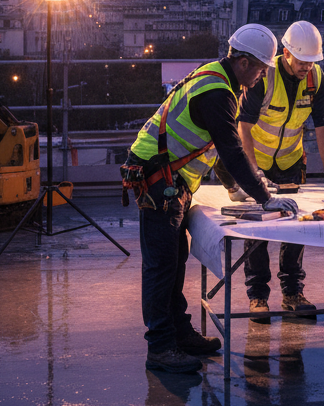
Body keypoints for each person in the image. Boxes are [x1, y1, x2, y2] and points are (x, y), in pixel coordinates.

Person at [121, 24, 299, 374]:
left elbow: (213, 146)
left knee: (172, 262)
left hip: (168, 177)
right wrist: (264, 198)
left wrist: (236, 186)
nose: (263, 75)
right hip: (159, 179)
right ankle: (160, 346)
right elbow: (231, 150)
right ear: (245, 62)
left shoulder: (216, 76)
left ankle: (179, 334)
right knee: (161, 267)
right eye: (262, 68)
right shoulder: (219, 93)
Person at [236, 21, 324, 322]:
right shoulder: (264, 76)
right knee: (258, 231)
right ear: (285, 53)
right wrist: (252, 173)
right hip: (258, 161)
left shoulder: (315, 78)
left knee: (296, 226)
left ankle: (292, 292)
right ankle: (258, 296)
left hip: (290, 161)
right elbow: (244, 127)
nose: (306, 67)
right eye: (301, 61)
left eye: (312, 61)